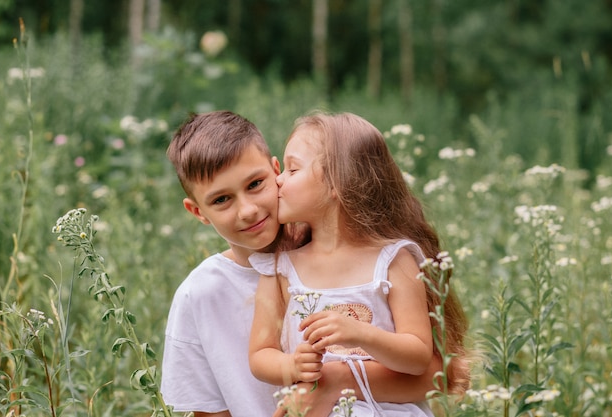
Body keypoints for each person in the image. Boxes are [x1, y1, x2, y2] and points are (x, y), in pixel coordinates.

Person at [161, 110, 444, 417]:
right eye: (221, 200)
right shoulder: (201, 294)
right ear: (197, 211)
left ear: (276, 172)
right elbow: (210, 410)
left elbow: (436, 375)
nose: (247, 210)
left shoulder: (379, 258)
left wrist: (336, 381)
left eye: (256, 184)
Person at [249, 111, 470, 416]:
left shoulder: (394, 260)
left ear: (336, 184)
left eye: (292, 169)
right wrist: (291, 364)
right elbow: (261, 354)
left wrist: (360, 334)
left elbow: (419, 356)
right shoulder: (280, 270)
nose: (278, 180)